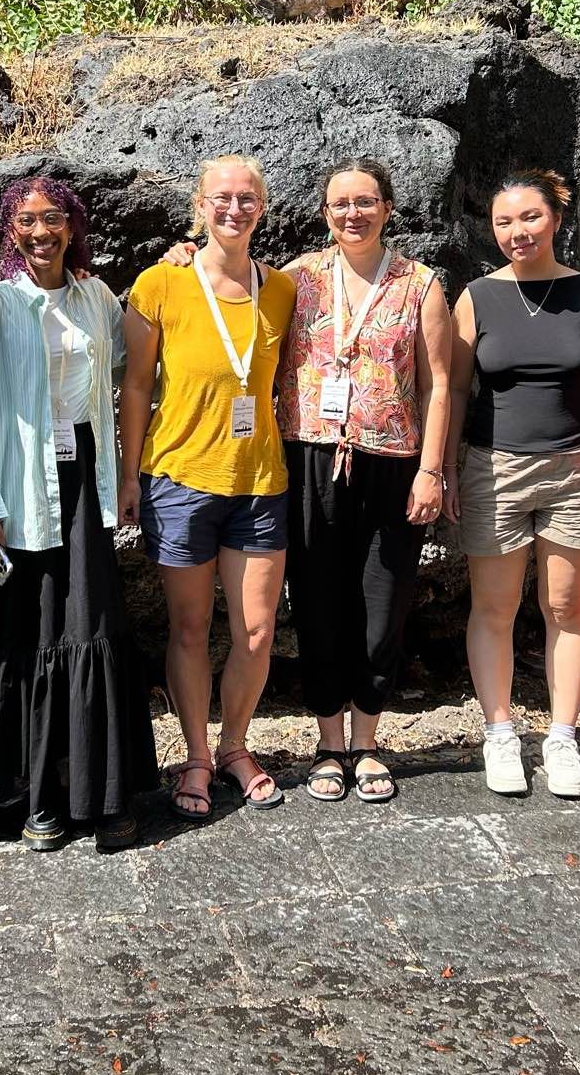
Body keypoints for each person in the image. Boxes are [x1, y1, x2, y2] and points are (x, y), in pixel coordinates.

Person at [166, 158, 450, 802]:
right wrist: (184, 252)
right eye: (341, 203)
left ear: (388, 208)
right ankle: (328, 741)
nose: (354, 214)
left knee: (382, 609)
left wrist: (432, 469)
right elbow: (228, 290)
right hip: (308, 460)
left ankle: (369, 741)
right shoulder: (297, 280)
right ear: (325, 213)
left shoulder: (421, 285)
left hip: (393, 462)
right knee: (319, 606)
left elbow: (437, 388)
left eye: (367, 202)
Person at [0, 178, 158, 853]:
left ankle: (98, 794)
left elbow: (140, 366)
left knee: (93, 624)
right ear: (10, 233)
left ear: (71, 226)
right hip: (21, 490)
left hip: (86, 486)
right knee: (33, 635)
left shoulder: (98, 297)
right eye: (25, 221)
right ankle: (37, 798)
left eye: (52, 219)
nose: (40, 232)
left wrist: (176, 267)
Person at [119, 155, 297, 820]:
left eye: (247, 197)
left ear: (263, 206)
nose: (234, 208)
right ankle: (195, 753)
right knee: (191, 629)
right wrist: (128, 473)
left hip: (259, 481)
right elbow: (136, 385)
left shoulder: (280, 289)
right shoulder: (160, 282)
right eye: (221, 197)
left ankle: (235, 745)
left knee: (255, 630)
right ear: (199, 205)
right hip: (181, 480)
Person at [444, 169, 580, 800]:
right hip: (492, 469)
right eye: (503, 221)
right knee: (494, 608)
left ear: (554, 219)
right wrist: (442, 468)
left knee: (566, 607)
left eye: (529, 218)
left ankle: (561, 737)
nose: (517, 232)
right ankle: (499, 733)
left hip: (577, 468)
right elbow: (455, 390)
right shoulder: (476, 298)